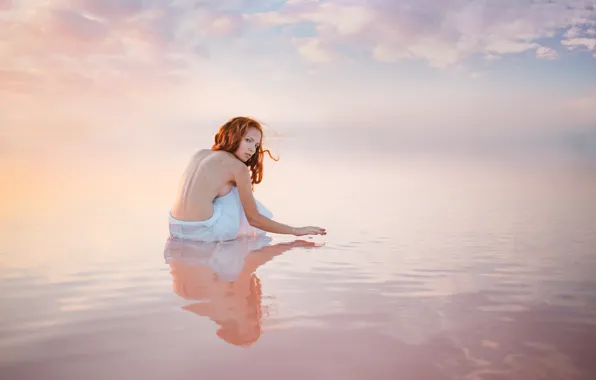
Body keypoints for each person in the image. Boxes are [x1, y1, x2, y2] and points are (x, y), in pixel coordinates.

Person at [168, 116, 326, 242]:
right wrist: (295, 231)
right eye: (248, 141)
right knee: (236, 194)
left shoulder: (200, 154)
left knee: (225, 188)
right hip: (205, 233)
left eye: (257, 145)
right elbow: (254, 219)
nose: (252, 149)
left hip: (176, 227)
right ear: (232, 136)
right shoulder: (237, 167)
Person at [164, 235, 323, 346]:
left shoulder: (217, 297)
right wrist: (291, 244)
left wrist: (290, 244)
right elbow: (254, 260)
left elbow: (253, 261)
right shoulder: (216, 298)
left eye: (249, 317)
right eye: (253, 317)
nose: (254, 312)